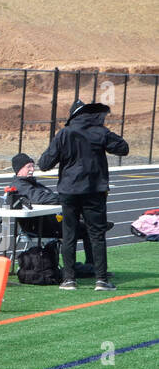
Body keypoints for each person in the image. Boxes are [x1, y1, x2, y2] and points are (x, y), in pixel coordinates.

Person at [37, 99, 128, 292]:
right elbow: (123, 148)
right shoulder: (100, 131)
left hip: (69, 191)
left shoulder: (64, 133)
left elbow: (44, 163)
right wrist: (104, 132)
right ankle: (101, 280)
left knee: (68, 235)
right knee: (97, 234)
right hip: (94, 190)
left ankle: (69, 280)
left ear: (73, 116)